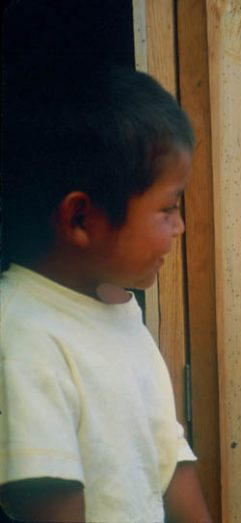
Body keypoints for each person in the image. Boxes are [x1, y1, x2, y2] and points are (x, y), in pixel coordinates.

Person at [0, 64, 212, 522]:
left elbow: (168, 456)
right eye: (168, 209)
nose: (180, 228)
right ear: (80, 220)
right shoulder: (22, 337)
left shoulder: (119, 308)